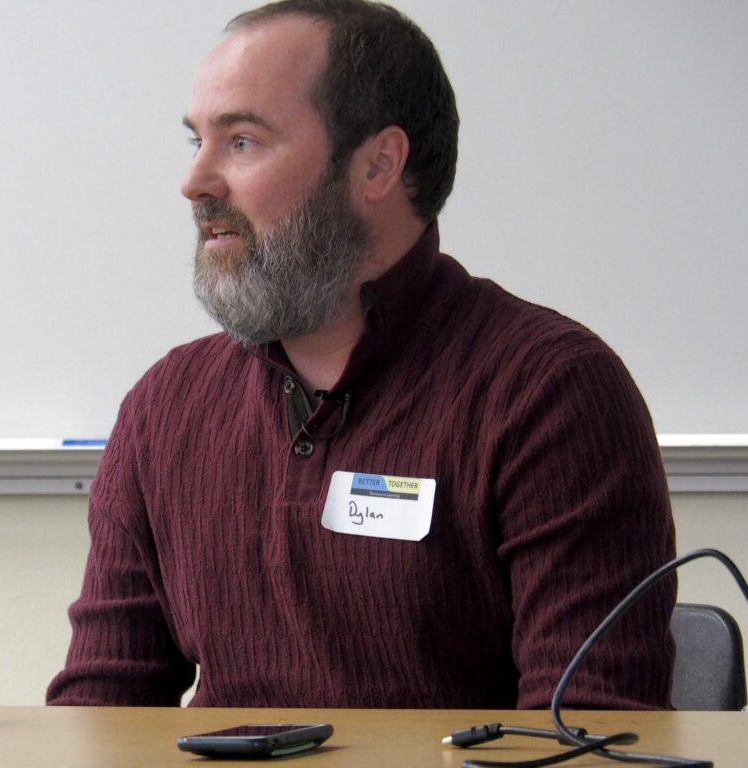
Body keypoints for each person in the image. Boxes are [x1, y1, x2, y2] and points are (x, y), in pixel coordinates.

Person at [47, 0, 676, 710]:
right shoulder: (168, 405)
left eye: (243, 142)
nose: (196, 181)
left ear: (378, 165)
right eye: (195, 141)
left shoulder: (548, 393)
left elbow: (589, 728)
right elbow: (101, 711)